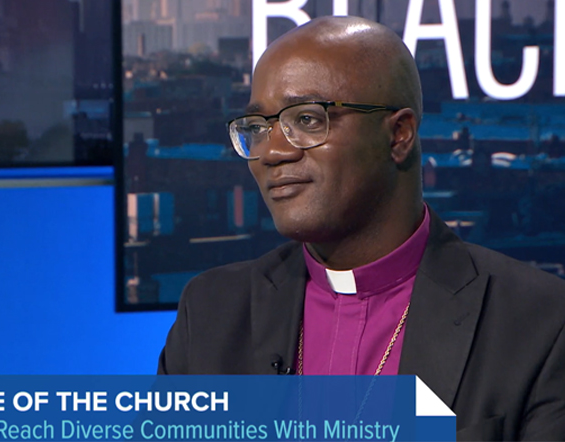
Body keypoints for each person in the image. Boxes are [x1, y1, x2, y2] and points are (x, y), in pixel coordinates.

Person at [157, 16, 565, 440]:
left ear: (399, 134)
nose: (272, 152)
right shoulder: (210, 314)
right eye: (258, 128)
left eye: (308, 120)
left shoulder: (539, 322)